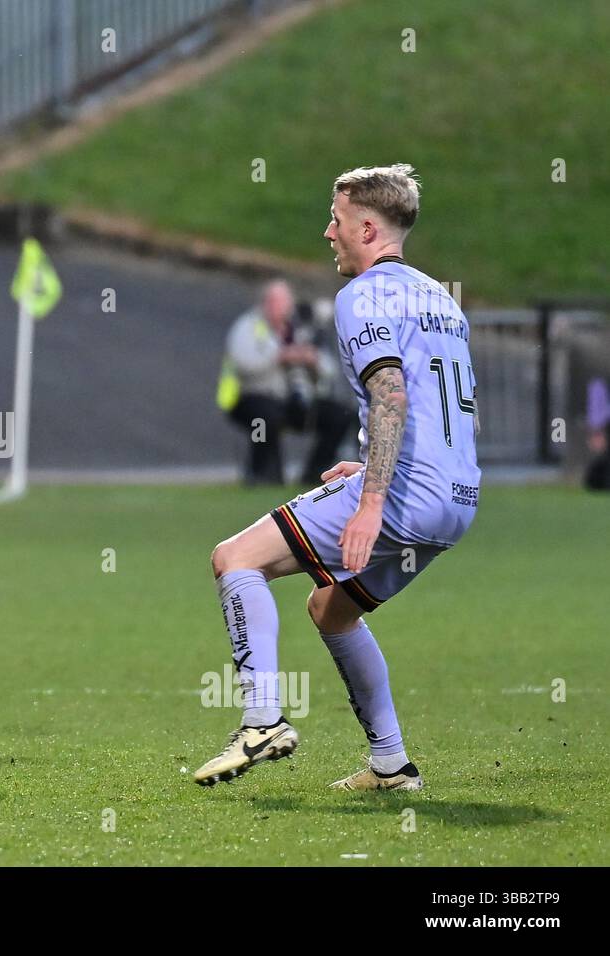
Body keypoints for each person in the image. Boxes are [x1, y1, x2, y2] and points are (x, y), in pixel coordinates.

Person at [194, 164, 480, 791]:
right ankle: (390, 764)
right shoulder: (440, 299)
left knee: (234, 559)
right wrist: (373, 465)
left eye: (338, 219)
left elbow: (390, 392)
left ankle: (261, 719)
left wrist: (372, 499)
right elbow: (437, 408)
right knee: (331, 609)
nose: (329, 232)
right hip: (457, 498)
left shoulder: (364, 296)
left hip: (404, 497)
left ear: (369, 227)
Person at [219, 280, 352, 484]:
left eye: (284, 302)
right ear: (264, 303)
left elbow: (329, 370)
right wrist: (280, 356)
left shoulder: (301, 329)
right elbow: (243, 363)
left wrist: (311, 359)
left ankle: (315, 474)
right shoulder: (249, 326)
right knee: (263, 420)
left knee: (339, 416)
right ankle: (261, 471)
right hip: (253, 397)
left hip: (295, 398)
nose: (280, 308)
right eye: (274, 302)